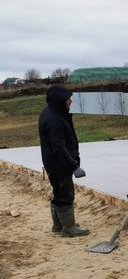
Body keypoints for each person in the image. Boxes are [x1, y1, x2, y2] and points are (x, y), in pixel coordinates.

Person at [38, 85, 89, 237]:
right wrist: (74, 167)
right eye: (68, 99)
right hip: (59, 165)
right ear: (59, 101)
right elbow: (58, 148)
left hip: (55, 163)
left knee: (59, 192)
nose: (70, 102)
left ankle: (59, 225)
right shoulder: (54, 120)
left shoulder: (53, 113)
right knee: (65, 194)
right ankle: (69, 227)